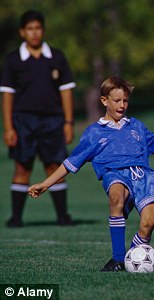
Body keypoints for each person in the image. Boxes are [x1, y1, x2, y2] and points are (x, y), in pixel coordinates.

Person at [29, 76, 154, 272]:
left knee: (148, 223)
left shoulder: (135, 126)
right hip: (115, 174)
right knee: (115, 196)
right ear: (105, 101)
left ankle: (130, 259)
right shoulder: (94, 133)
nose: (122, 105)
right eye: (117, 100)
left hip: (144, 177)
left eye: (126, 101)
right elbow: (70, 163)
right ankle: (118, 259)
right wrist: (45, 184)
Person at [1, 10, 76, 227]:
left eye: (38, 28)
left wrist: (68, 123)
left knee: (55, 166)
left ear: (43, 30)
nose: (34, 33)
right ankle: (16, 218)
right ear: (22, 32)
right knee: (22, 167)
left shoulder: (56, 57)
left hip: (53, 121)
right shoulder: (14, 60)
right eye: (30, 29)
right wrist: (8, 127)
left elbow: (66, 91)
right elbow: (7, 94)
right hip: (23, 121)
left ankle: (63, 216)